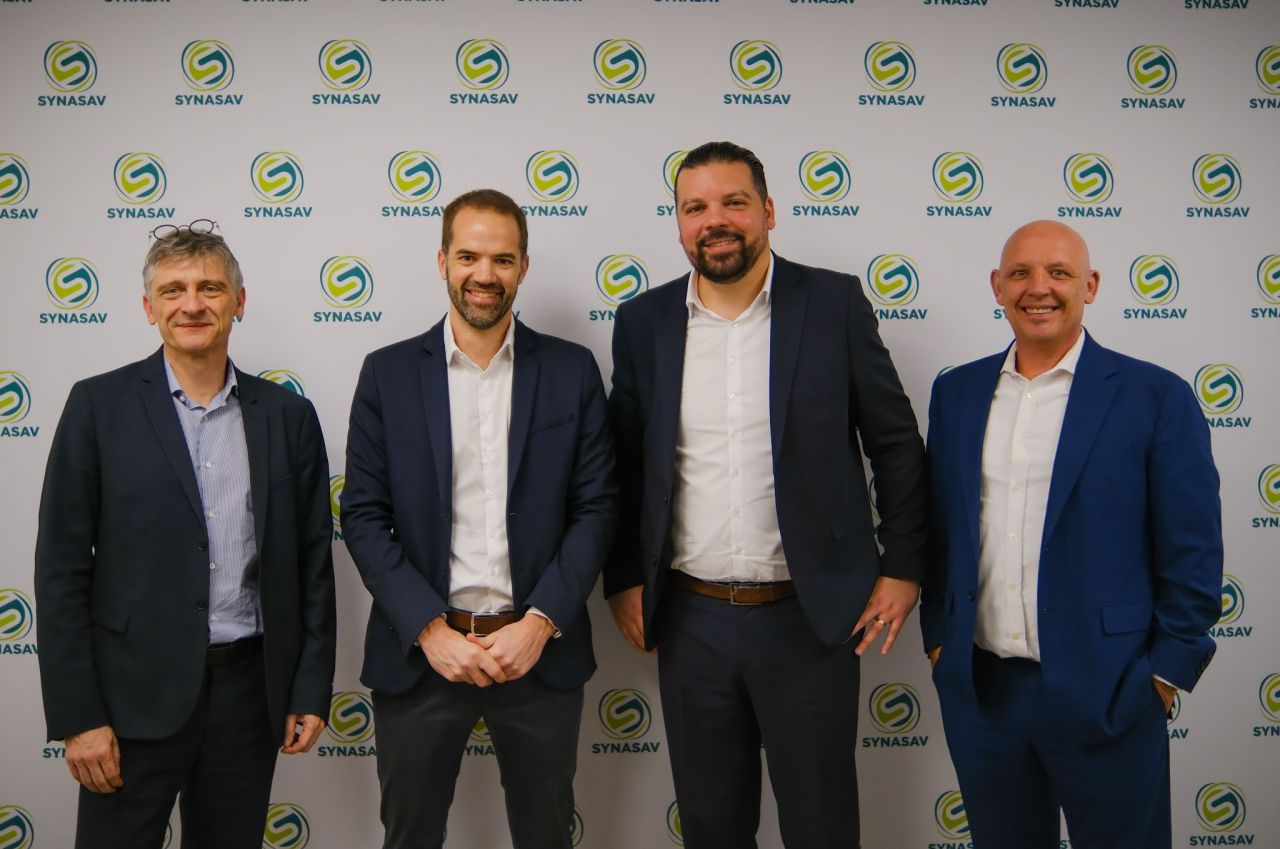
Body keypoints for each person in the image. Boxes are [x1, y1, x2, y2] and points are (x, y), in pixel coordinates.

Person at [604, 141, 928, 849]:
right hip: (690, 621)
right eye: (696, 208)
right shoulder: (643, 322)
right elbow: (624, 463)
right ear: (679, 223)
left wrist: (904, 566)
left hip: (809, 619)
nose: (715, 220)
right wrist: (624, 575)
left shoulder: (834, 303)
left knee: (821, 828)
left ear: (769, 211)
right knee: (712, 829)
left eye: (734, 202)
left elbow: (896, 442)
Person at [35, 220, 337, 849]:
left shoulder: (288, 416)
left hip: (248, 697)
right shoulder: (97, 406)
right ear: (150, 307)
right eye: (173, 290)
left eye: (210, 288)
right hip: (129, 699)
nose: (192, 304)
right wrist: (79, 716)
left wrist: (309, 687)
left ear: (238, 301)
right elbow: (61, 570)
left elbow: (312, 564)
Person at [920, 220, 1222, 849]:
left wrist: (1162, 677)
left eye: (1059, 272)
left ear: (1091, 286)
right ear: (997, 286)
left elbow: (1192, 551)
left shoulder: (1156, 396)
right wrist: (939, 642)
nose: (1039, 288)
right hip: (983, 695)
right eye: (1021, 273)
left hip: (1112, 691)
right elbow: (941, 529)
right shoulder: (956, 392)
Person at [341, 189, 616, 849]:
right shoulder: (387, 375)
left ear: (523, 267)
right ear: (442, 261)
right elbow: (363, 514)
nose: (484, 274)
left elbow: (598, 506)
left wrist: (540, 622)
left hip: (538, 655)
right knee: (410, 835)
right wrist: (429, 629)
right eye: (468, 256)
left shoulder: (572, 370)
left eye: (502, 259)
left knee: (546, 835)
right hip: (422, 658)